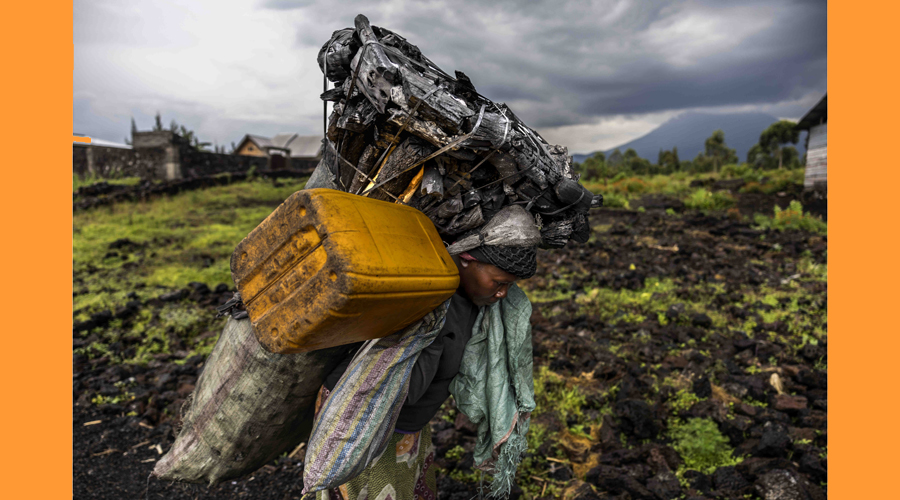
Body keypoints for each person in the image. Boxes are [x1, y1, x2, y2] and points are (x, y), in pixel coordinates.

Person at [314, 243, 537, 500]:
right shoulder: (431, 303)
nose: (503, 293)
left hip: (407, 426)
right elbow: (403, 389)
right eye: (499, 282)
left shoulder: (472, 301)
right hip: (366, 424)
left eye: (509, 285)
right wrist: (434, 339)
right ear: (466, 259)